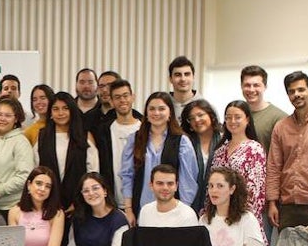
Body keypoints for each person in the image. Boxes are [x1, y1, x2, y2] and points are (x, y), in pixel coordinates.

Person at [119, 91, 198, 224]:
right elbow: (127, 176)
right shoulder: (135, 139)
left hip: (173, 212)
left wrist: (183, 211)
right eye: (152, 109)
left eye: (161, 109)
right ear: (146, 113)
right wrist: (128, 209)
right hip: (141, 209)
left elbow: (188, 181)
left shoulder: (182, 141)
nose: (156, 113)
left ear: (170, 113)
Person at [265, 70, 308, 231]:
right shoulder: (281, 126)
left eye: (301, 90)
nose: (296, 94)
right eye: (292, 92)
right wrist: (272, 203)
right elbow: (274, 166)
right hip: (288, 206)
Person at [35, 91, 99, 214]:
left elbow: (93, 172)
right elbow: (37, 169)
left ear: (72, 111)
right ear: (51, 113)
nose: (60, 113)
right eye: (56, 109)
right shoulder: (42, 136)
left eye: (65, 108)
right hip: (49, 204)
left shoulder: (84, 136)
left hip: (79, 204)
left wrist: (78, 201)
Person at [67, 173, 129, 246]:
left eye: (95, 188)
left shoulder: (119, 219)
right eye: (86, 191)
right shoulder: (78, 218)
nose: (91, 193)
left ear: (105, 191)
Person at [209, 100, 266, 225]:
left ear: (247, 120)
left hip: (243, 218)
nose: (232, 121)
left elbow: (255, 189)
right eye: (228, 118)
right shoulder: (220, 150)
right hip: (219, 216)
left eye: (237, 117)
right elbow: (212, 184)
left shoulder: (254, 149)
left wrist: (244, 217)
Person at [0, 97, 34, 218]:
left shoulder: (21, 142)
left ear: (16, 119)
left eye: (8, 115)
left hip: (10, 209)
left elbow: (25, 176)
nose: (2, 119)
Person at [201, 167, 265, 246]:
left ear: (232, 189)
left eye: (220, 186)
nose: (214, 190)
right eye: (211, 186)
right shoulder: (204, 220)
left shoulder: (247, 220)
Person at [104, 80, 142, 208]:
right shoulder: (103, 131)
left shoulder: (145, 129)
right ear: (111, 101)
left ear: (133, 97)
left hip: (141, 200)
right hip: (112, 202)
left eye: (126, 95)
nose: (122, 100)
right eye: (117, 97)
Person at [8, 167, 64, 246]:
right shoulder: (14, 212)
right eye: (39, 183)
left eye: (48, 186)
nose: (42, 189)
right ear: (29, 185)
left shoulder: (57, 214)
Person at [181, 99, 223, 211]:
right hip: (189, 203)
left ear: (211, 115)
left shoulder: (224, 140)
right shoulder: (185, 143)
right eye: (192, 118)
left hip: (219, 202)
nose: (197, 120)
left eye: (200, 115)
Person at [240, 65, 287, 153]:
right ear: (241, 86)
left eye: (256, 85)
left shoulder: (279, 118)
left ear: (265, 87)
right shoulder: (235, 116)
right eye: (247, 85)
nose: (251, 89)